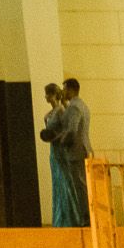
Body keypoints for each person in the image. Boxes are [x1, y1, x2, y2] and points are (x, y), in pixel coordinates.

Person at [56, 77, 93, 228]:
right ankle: (87, 216)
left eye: (64, 89)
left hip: (76, 151)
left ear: (71, 90)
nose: (63, 92)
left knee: (80, 186)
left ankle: (86, 218)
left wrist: (61, 141)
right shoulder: (81, 105)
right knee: (84, 184)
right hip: (84, 148)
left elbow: (71, 130)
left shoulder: (74, 108)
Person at [39, 84, 76, 228]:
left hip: (60, 148)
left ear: (54, 95)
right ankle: (59, 218)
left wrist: (55, 138)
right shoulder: (51, 112)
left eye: (48, 94)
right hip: (53, 150)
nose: (46, 97)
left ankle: (69, 218)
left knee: (64, 181)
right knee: (57, 182)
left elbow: (67, 130)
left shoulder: (61, 111)